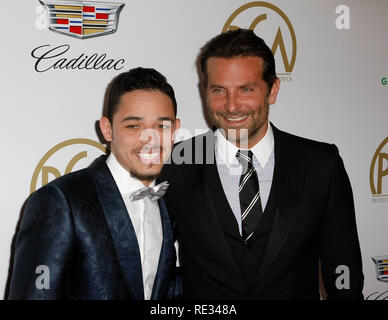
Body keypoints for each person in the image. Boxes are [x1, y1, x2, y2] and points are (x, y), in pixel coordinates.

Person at [160, 29, 364, 299]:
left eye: (246, 89)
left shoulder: (321, 164)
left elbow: (343, 267)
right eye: (219, 90)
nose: (231, 106)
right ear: (204, 91)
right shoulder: (175, 162)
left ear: (272, 90)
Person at [8, 67, 181, 300]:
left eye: (162, 126)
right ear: (107, 129)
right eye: (134, 126)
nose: (149, 140)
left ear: (176, 129)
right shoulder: (61, 201)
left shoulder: (170, 202)